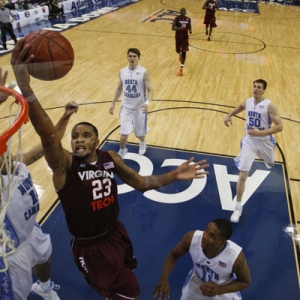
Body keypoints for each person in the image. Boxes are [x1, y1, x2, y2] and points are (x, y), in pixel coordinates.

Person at [11, 40, 209, 300]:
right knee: (128, 293)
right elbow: (48, 138)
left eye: (85, 135)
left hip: (116, 234)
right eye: (74, 136)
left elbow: (142, 183)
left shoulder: (110, 158)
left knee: (125, 279)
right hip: (90, 248)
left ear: (96, 141)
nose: (78, 139)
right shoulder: (65, 167)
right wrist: (26, 88)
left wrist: (173, 175)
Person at [0, 69, 78, 299]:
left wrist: (65, 117)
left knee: (44, 255)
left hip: (30, 230)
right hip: (9, 252)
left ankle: (44, 287)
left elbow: (49, 144)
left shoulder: (17, 163)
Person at [223, 79, 283, 223]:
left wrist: (261, 133)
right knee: (243, 175)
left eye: (259, 87)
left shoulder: (269, 106)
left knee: (270, 164)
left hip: (265, 142)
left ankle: (267, 159)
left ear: (263, 90)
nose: (255, 89)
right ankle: (238, 207)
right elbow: (240, 107)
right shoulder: (248, 102)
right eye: (254, 86)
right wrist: (229, 115)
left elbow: (279, 127)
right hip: (250, 142)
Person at [152, 218, 251, 300]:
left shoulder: (236, 258)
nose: (205, 236)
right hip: (197, 283)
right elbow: (173, 255)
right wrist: (164, 279)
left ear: (222, 242)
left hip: (223, 289)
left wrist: (219, 290)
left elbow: (245, 282)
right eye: (206, 230)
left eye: (212, 236)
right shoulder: (191, 239)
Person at [109, 48, 153, 158]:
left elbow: (150, 90)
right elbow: (119, 88)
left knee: (140, 134)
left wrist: (147, 103)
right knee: (124, 135)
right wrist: (113, 103)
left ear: (139, 58)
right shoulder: (122, 72)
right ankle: (122, 150)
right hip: (126, 108)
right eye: (130, 56)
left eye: (134, 56)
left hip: (139, 108)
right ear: (127, 57)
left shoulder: (143, 72)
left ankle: (142, 142)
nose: (132, 58)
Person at [172, 7, 192, 76]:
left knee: (184, 52)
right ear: (180, 12)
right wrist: (178, 28)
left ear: (185, 12)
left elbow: (189, 26)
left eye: (184, 11)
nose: (182, 12)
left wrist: (190, 30)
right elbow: (172, 28)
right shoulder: (176, 19)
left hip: (185, 38)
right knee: (177, 50)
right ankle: (179, 53)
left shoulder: (188, 19)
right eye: (181, 11)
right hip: (178, 37)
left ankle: (181, 68)